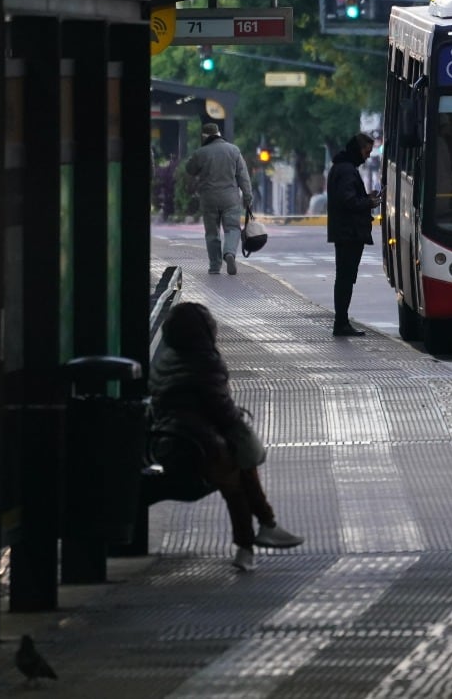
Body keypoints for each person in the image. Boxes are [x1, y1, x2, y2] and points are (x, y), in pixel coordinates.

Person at [148, 301, 302, 571]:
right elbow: (221, 409)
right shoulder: (205, 362)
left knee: (235, 460)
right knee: (238, 464)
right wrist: (240, 425)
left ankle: (263, 530)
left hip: (166, 444)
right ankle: (257, 535)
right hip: (196, 449)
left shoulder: (165, 360)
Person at [326, 132, 381, 336]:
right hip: (350, 233)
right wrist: (369, 202)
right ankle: (341, 323)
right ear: (357, 149)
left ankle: (342, 321)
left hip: (345, 231)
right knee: (346, 279)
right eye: (366, 151)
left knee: (344, 278)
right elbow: (348, 201)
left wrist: (366, 197)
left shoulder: (341, 168)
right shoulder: (347, 171)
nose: (367, 156)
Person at [185, 122, 251, 275]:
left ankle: (215, 266)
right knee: (232, 229)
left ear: (204, 136)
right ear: (219, 134)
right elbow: (243, 176)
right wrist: (247, 196)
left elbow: (190, 169)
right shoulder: (233, 150)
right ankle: (229, 253)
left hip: (209, 198)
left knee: (212, 232)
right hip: (230, 198)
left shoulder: (201, 152)